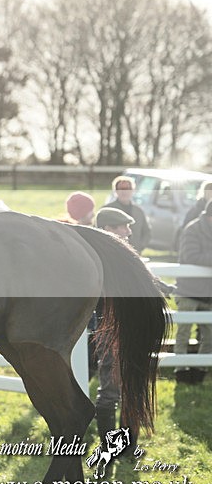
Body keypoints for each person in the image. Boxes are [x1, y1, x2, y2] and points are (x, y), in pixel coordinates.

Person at [92, 207, 136, 443]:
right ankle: (109, 446)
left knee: (131, 388)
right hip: (110, 330)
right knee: (109, 390)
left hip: (130, 330)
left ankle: (128, 445)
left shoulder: (124, 255)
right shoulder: (99, 259)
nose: (128, 232)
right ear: (108, 229)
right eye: (123, 227)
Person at [174, 199, 212, 384]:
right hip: (189, 290)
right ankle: (180, 370)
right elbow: (191, 256)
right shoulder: (192, 229)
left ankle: (200, 371)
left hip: (209, 292)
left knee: (210, 334)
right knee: (183, 332)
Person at [103, 176, 151, 253]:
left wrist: (139, 247)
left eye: (127, 188)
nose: (124, 192)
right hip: (113, 252)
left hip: (135, 254)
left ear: (133, 190)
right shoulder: (107, 210)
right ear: (115, 191)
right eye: (121, 188)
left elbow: (146, 232)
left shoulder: (139, 211)